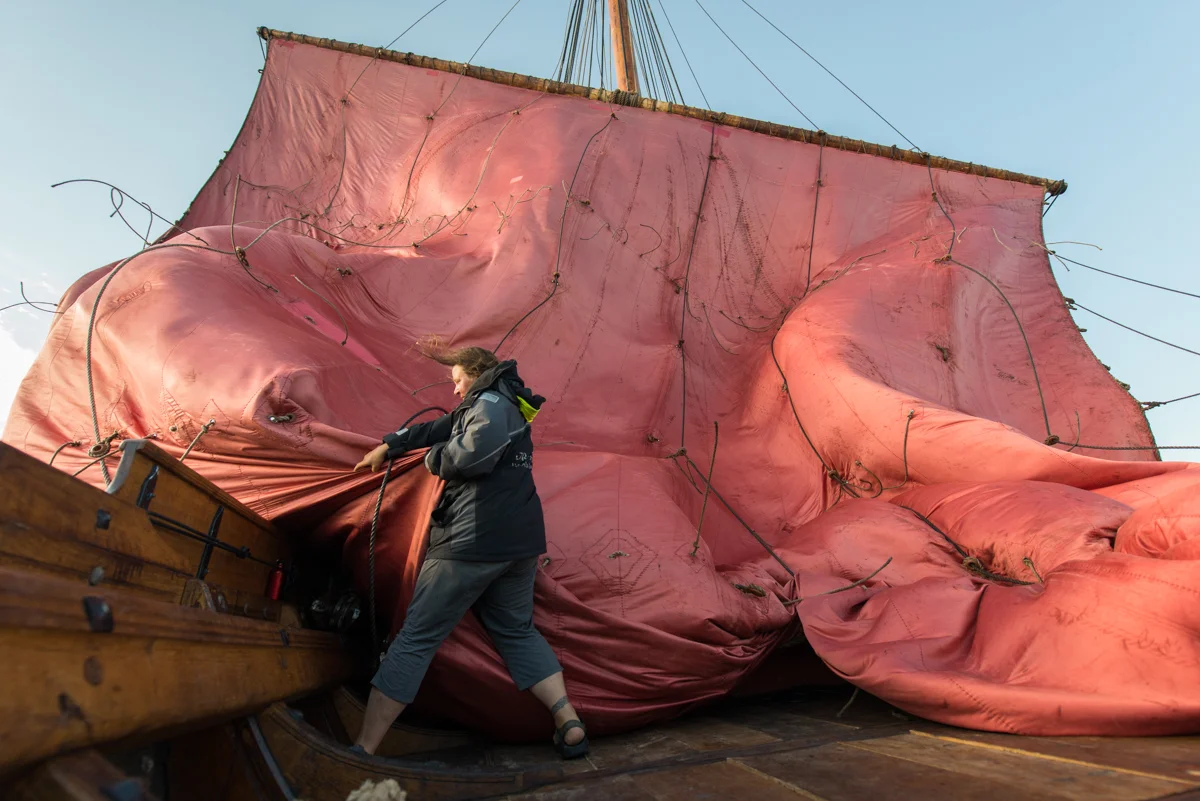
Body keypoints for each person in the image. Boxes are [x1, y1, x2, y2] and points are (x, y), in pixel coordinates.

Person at [350, 346, 588, 759]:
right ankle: (568, 722)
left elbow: (470, 455)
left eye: (458, 379)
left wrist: (431, 459)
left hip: (472, 541)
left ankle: (362, 749)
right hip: (518, 545)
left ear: (477, 374)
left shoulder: (492, 405)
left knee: (416, 639)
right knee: (516, 631)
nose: (455, 389)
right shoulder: (503, 402)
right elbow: (444, 426)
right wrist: (391, 445)